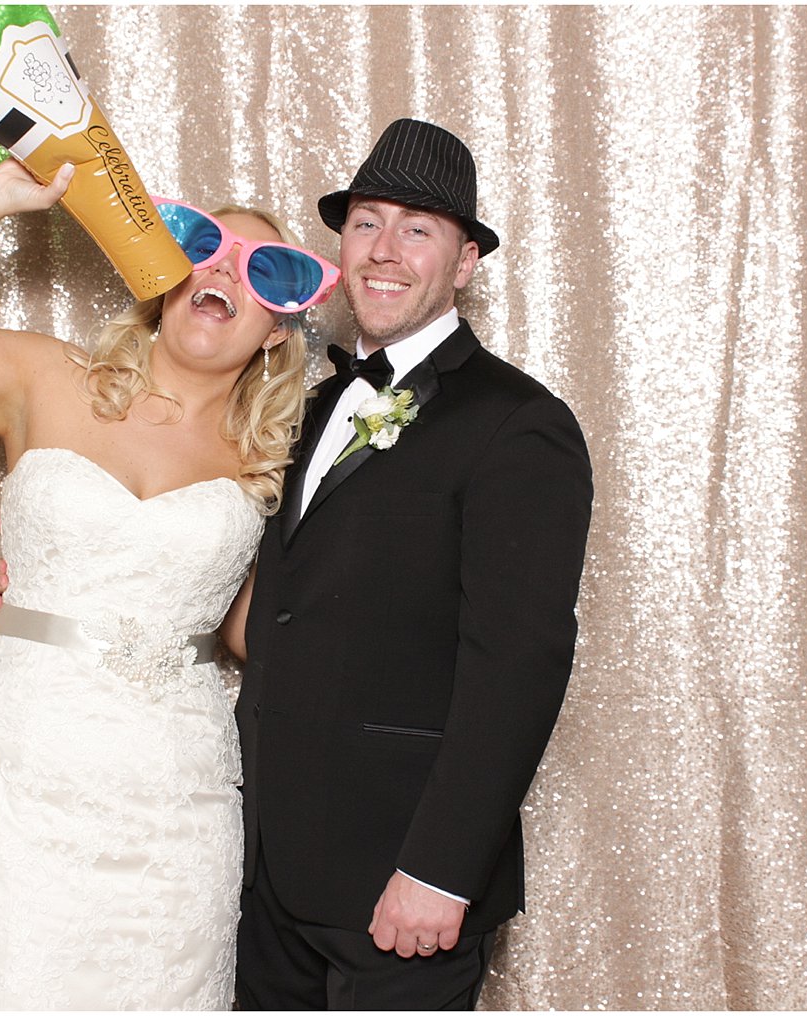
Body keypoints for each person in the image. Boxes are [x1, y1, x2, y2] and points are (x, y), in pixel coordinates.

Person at [0, 157, 338, 1009]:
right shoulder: (46, 380)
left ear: (279, 330)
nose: (221, 272)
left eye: (262, 269)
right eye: (202, 246)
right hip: (24, 775)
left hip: (178, 801)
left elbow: (255, 628)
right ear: (163, 276)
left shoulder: (273, 455)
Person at [231, 118, 593, 1009]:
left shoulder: (519, 426)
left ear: (464, 261)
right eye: (365, 223)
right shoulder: (303, 410)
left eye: (417, 229)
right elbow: (269, 602)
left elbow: (519, 667)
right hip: (261, 869)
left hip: (398, 880)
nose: (384, 251)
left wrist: (440, 869)